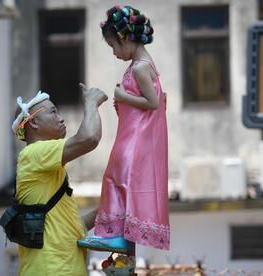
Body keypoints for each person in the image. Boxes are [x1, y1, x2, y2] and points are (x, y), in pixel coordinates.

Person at [78, 5, 170, 253]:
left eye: (113, 46)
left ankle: (117, 234)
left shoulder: (140, 67)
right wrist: (124, 102)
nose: (114, 53)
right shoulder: (140, 64)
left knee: (119, 178)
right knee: (115, 178)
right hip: (131, 135)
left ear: (125, 38)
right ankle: (117, 233)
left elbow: (153, 103)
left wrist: (122, 95)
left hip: (135, 140)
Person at [11, 84, 108, 276]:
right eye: (53, 112)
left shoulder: (48, 169)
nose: (61, 118)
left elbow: (74, 228)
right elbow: (89, 138)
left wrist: (111, 208)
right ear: (34, 123)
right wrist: (90, 103)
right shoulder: (34, 153)